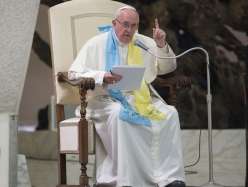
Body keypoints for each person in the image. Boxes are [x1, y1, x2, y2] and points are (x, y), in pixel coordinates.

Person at [69, 5, 186, 187]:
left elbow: (168, 68)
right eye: (125, 24)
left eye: (133, 25)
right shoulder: (96, 43)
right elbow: (73, 74)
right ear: (114, 23)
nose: (129, 30)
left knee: (170, 113)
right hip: (105, 100)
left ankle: (168, 177)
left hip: (139, 99)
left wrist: (161, 45)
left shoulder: (142, 42)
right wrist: (102, 76)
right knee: (119, 115)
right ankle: (128, 180)